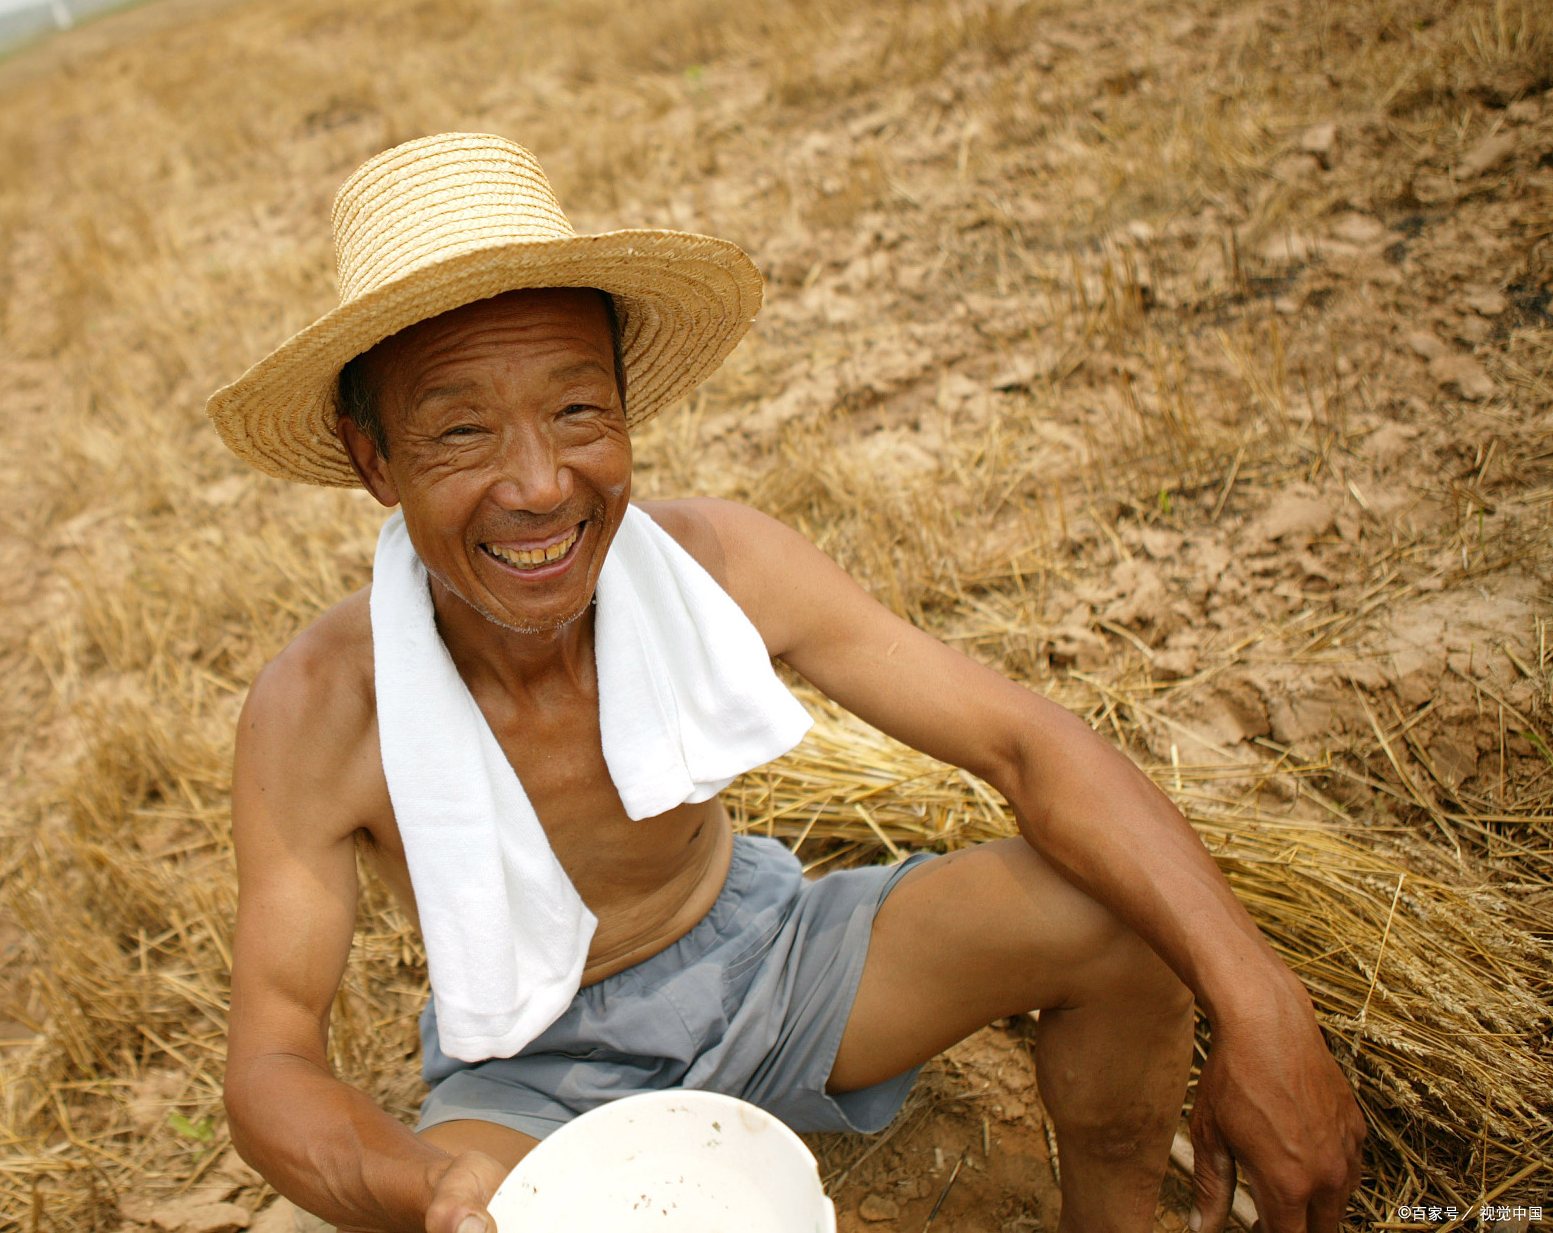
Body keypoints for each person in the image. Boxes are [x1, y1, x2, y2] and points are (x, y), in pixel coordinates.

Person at [208, 133, 1362, 1233]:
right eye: (460, 432)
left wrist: (1261, 1000)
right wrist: (420, 1185)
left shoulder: (718, 567)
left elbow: (1025, 744)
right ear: (375, 462)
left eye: (576, 410)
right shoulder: (318, 711)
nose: (539, 484)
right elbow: (270, 1058)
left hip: (765, 962)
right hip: (528, 1073)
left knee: (1115, 923)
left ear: (625, 406)